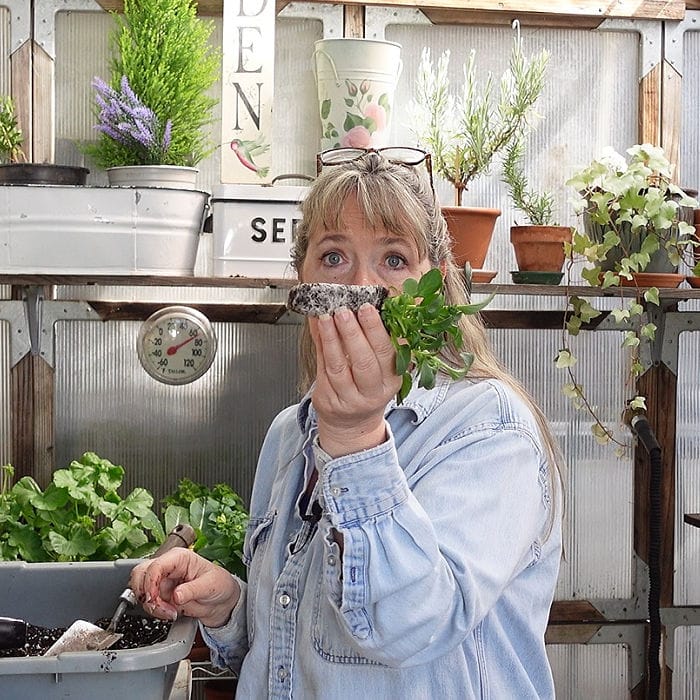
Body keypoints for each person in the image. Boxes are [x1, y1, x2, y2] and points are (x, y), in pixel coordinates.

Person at [129, 147, 564, 699]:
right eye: (333, 257)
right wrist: (229, 607)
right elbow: (292, 649)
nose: (363, 288)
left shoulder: (488, 430)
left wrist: (356, 442)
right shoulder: (291, 433)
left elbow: (410, 626)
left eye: (394, 260)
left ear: (440, 283)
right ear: (301, 278)